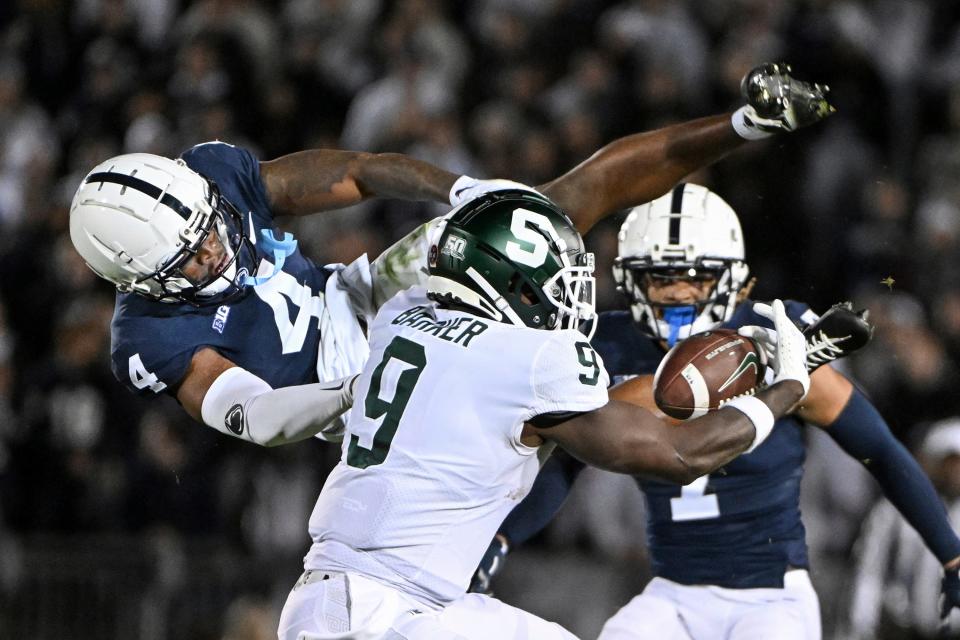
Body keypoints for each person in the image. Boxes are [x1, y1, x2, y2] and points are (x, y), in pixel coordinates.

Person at [67, 62, 833, 448]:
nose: (214, 246)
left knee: (535, 214)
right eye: (192, 258)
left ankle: (742, 125)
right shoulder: (149, 339)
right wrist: (356, 389)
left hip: (358, 293)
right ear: (142, 280)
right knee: (562, 420)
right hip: (354, 391)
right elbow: (261, 417)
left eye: (209, 226)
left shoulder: (213, 177)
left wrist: (462, 188)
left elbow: (356, 171)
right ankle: (758, 369)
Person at [277, 187, 811, 640]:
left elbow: (564, 407)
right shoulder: (530, 360)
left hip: (353, 596)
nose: (568, 293)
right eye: (557, 278)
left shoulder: (405, 314)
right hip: (388, 612)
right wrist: (785, 388)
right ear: (510, 281)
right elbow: (677, 453)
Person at [472, 184, 960, 640]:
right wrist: (503, 538)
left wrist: (951, 554)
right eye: (660, 278)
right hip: (672, 591)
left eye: (697, 276)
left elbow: (877, 448)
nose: (681, 293)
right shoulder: (611, 347)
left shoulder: (775, 338)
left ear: (737, 283)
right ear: (629, 279)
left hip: (771, 596)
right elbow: (569, 460)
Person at [847, 418, 960, 639]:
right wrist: (862, 622)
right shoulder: (897, 510)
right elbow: (870, 571)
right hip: (906, 629)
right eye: (951, 462)